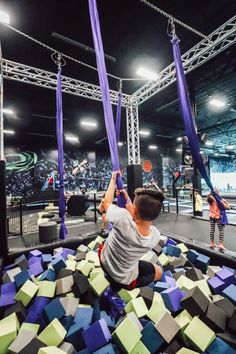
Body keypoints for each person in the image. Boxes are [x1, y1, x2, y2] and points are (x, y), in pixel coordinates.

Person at [98, 171, 164, 290]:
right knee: (159, 271)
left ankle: (110, 288)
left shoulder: (122, 218)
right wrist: (129, 203)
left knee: (106, 235)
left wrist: (113, 179)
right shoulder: (155, 236)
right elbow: (138, 222)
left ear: (134, 211)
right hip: (125, 279)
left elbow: (106, 202)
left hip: (104, 261)